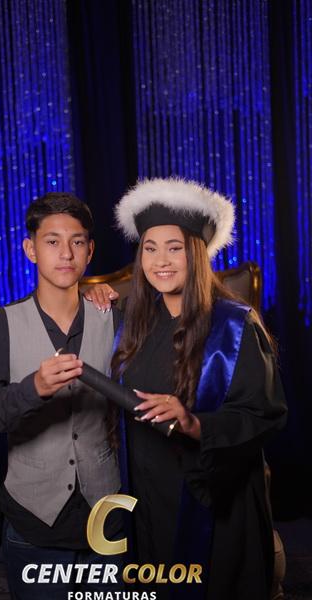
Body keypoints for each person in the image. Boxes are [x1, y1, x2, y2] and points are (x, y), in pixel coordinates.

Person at [107, 178, 287, 600]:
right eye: (150, 248)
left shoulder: (234, 326)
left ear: (197, 253)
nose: (160, 261)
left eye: (174, 248)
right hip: (146, 496)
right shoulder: (134, 323)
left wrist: (194, 424)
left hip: (211, 501)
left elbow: (265, 416)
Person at [0, 192, 123, 600]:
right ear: (30, 249)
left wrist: (107, 291)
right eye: (52, 241)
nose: (66, 253)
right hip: (33, 522)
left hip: (107, 517)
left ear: (90, 251)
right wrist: (32, 388)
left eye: (77, 242)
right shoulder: (1, 325)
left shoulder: (115, 317)